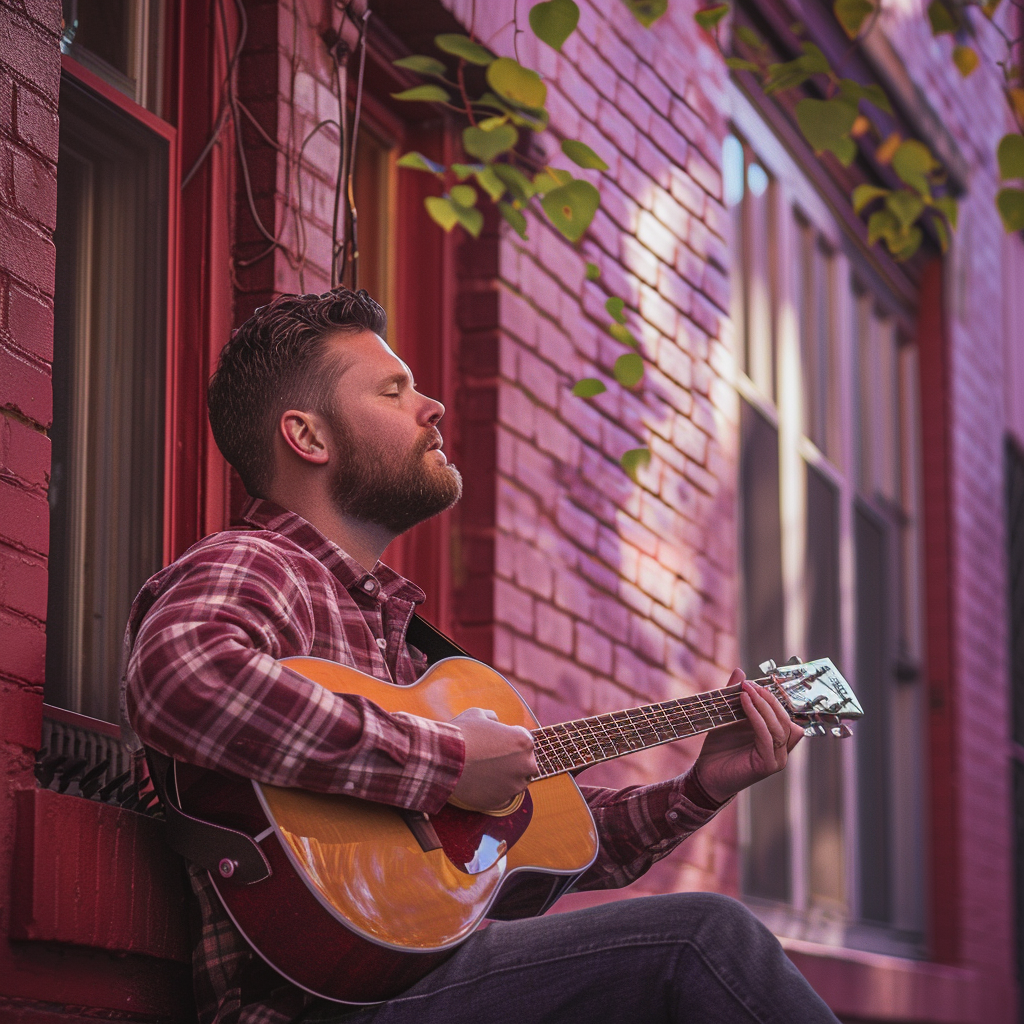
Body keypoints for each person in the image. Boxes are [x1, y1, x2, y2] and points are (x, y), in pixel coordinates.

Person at [124, 288, 840, 1024]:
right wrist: (447, 765)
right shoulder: (261, 564)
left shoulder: (396, 649)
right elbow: (185, 676)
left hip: (420, 984)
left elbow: (550, 850)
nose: (430, 405)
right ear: (309, 438)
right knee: (703, 940)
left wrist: (702, 787)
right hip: (325, 1007)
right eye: (393, 390)